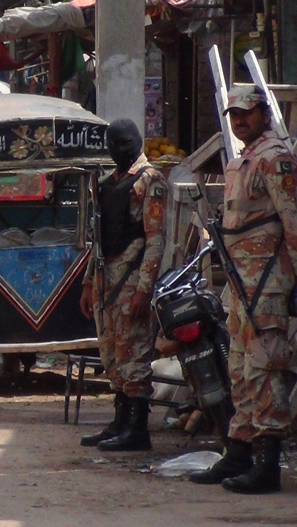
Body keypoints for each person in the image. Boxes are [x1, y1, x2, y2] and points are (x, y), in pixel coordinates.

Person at [188, 85, 297, 494]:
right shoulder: (246, 157)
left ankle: (269, 463)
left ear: (263, 113)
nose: (240, 121)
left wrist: (294, 279)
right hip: (243, 281)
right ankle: (238, 453)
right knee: (240, 368)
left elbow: (295, 225)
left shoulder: (274, 158)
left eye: (247, 114)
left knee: (265, 366)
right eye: (234, 116)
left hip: (266, 280)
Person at [78, 118, 167, 452]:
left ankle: (137, 429)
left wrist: (144, 289)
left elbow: (155, 241)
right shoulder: (107, 183)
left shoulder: (151, 181)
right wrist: (88, 283)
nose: (120, 151)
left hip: (131, 282)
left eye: (124, 144)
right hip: (105, 282)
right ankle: (120, 422)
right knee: (112, 354)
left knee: (135, 354)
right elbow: (98, 242)